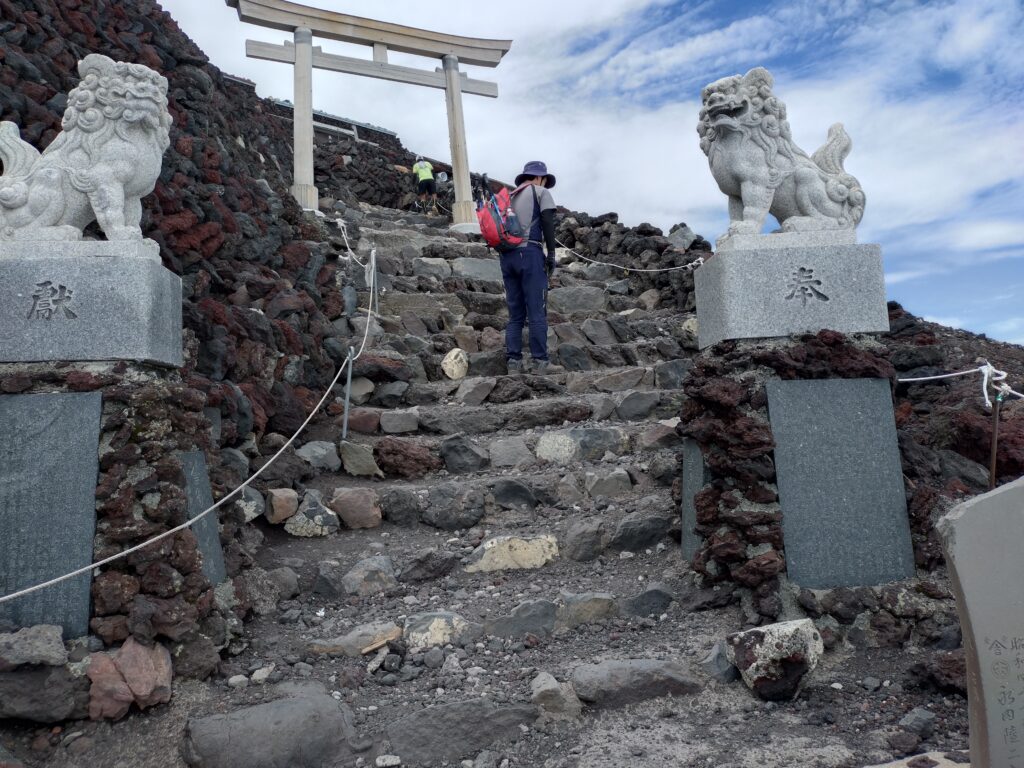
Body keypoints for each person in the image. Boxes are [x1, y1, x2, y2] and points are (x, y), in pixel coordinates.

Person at [502, 160, 562, 374]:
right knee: (537, 310)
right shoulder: (540, 192)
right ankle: (540, 362)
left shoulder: (509, 196)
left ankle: (513, 363)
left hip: (507, 256)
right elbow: (547, 223)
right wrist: (552, 254)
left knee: (515, 313)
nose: (544, 183)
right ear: (539, 177)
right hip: (530, 253)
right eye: (544, 179)